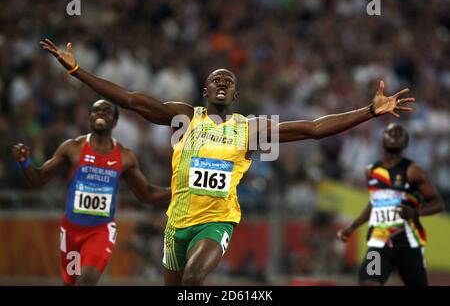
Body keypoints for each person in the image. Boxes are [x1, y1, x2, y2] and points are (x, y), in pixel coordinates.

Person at [40, 39, 414, 286]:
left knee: (192, 282)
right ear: (205, 91)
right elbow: (132, 100)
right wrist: (77, 71)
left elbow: (314, 128)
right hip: (176, 222)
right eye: (215, 79)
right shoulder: (185, 118)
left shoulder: (251, 131)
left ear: (235, 94)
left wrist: (369, 110)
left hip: (218, 219)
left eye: (228, 81)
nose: (221, 82)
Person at [12, 99, 171, 286]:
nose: (101, 113)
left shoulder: (125, 156)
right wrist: (24, 162)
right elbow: (38, 180)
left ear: (115, 121)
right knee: (70, 283)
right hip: (71, 230)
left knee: (86, 281)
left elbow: (146, 193)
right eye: (96, 110)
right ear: (89, 117)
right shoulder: (72, 149)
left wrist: (178, 190)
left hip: (101, 231)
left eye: (107, 111)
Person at [336, 123, 445, 286]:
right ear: (382, 139)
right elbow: (375, 203)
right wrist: (352, 227)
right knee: (369, 283)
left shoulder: (413, 171)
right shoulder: (371, 171)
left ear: (406, 143)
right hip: (380, 242)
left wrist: (414, 212)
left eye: (399, 133)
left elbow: (438, 203)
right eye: (390, 132)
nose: (394, 135)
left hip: (407, 243)